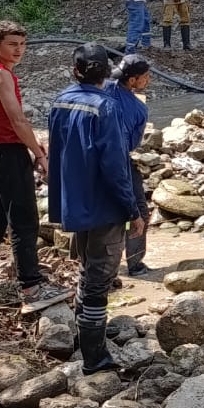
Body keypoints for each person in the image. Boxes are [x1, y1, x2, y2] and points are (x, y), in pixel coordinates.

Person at [49, 44, 143, 375]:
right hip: (104, 204)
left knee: (87, 269)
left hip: (75, 202)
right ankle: (95, 357)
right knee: (99, 278)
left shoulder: (60, 100)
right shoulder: (106, 107)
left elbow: (57, 153)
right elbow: (115, 165)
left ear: (75, 71)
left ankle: (82, 338)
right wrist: (132, 209)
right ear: (107, 73)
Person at [0, 21, 72, 312]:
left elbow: (10, 121)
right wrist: (39, 154)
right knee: (25, 220)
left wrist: (33, 144)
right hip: (9, 155)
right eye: (12, 44)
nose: (18, 50)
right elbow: (18, 121)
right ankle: (31, 286)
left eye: (22, 44)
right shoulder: (1, 75)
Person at [104, 54, 151, 279]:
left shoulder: (101, 88)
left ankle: (96, 264)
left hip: (91, 160)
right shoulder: (138, 108)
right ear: (132, 81)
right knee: (138, 211)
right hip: (119, 162)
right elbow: (132, 144)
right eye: (145, 77)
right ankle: (136, 265)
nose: (148, 80)